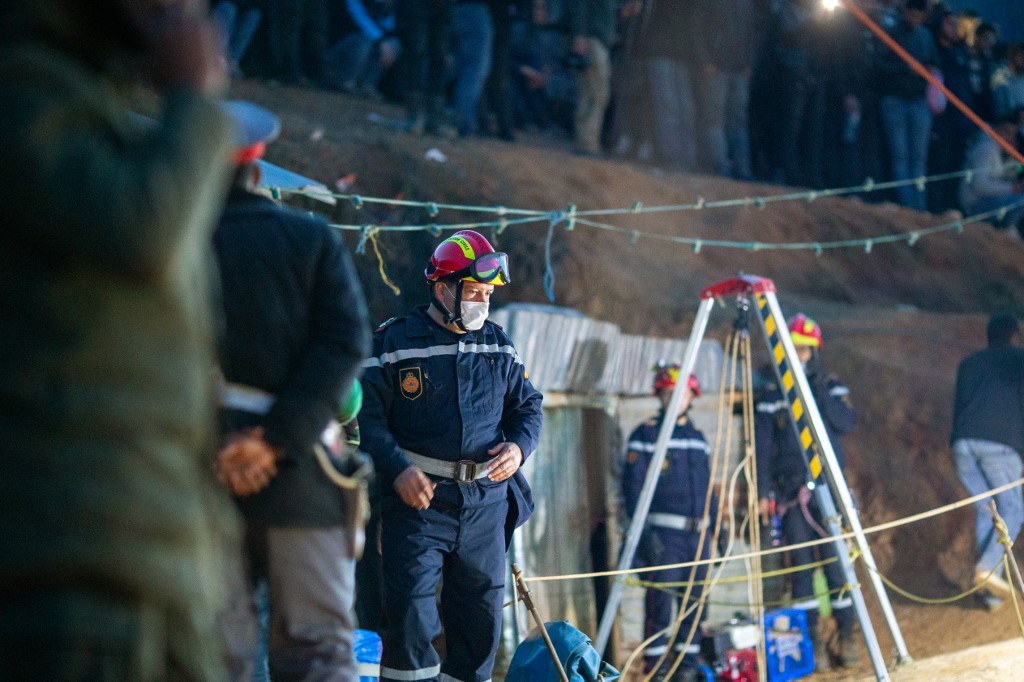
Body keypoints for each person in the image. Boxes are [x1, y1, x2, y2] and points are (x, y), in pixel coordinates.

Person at [0, 0, 238, 676]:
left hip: (148, 558)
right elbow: (139, 227)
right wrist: (193, 98)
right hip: (74, 561)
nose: (189, 11)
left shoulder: (89, 101)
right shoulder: (25, 87)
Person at [212, 100, 372, 679]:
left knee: (207, 656)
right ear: (257, 171)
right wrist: (275, 440)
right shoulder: (310, 240)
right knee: (317, 653)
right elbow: (346, 344)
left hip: (198, 475)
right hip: (302, 479)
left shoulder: (163, 245)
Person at [360, 229, 543, 682]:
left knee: (480, 627)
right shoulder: (393, 343)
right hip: (417, 504)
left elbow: (528, 407)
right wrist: (397, 469)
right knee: (410, 624)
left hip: (486, 505)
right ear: (443, 288)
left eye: (487, 294)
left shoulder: (499, 344)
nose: (482, 301)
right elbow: (368, 419)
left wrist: (519, 448)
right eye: (474, 291)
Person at [755, 314, 859, 672]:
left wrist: (817, 392)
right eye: (795, 349)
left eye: (806, 350)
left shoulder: (830, 386)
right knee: (801, 571)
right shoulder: (772, 393)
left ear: (815, 353)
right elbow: (763, 444)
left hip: (828, 491)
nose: (800, 355)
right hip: (790, 495)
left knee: (837, 567)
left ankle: (846, 638)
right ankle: (812, 643)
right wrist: (762, 491)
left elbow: (847, 423)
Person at [622, 363, 714, 682]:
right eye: (667, 393)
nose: (674, 399)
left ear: (692, 395)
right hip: (664, 535)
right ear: (659, 396)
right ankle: (657, 669)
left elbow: (708, 487)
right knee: (660, 604)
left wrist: (717, 527)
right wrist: (643, 534)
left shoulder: (699, 438)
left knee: (695, 602)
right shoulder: (646, 435)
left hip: (697, 537)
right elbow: (632, 489)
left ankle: (687, 666)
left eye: (681, 393)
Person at [950, 313, 1024, 611]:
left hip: (963, 444)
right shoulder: (1018, 360)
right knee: (1014, 508)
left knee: (987, 510)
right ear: (1014, 336)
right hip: (998, 445)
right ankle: (987, 569)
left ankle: (990, 592)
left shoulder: (968, 364)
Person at [875, 0, 939, 211]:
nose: (915, 17)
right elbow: (878, 65)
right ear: (906, 11)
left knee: (919, 159)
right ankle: (908, 207)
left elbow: (934, 65)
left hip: (919, 101)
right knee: (900, 155)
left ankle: (919, 207)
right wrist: (905, 68)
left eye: (920, 14)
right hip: (894, 99)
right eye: (913, 12)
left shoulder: (926, 36)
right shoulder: (890, 32)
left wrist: (924, 71)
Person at [959, 114, 1024, 239]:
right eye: (1006, 131)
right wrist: (1012, 188)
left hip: (991, 200)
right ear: (997, 129)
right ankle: (1006, 228)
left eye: (1012, 134)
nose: (1009, 138)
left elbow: (1002, 175)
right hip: (975, 204)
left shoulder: (1001, 152)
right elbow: (979, 186)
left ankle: (1008, 228)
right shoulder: (984, 149)